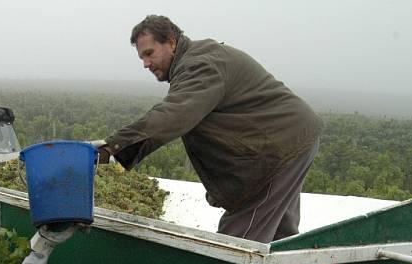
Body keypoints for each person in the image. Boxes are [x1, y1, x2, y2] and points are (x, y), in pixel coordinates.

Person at [98, 15, 322, 243]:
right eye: (141, 57)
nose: (146, 64)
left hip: (276, 150)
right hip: (293, 140)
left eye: (149, 53)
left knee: (237, 246)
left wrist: (112, 149)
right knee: (279, 238)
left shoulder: (199, 64)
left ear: (172, 42)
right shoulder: (197, 60)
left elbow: (174, 115)